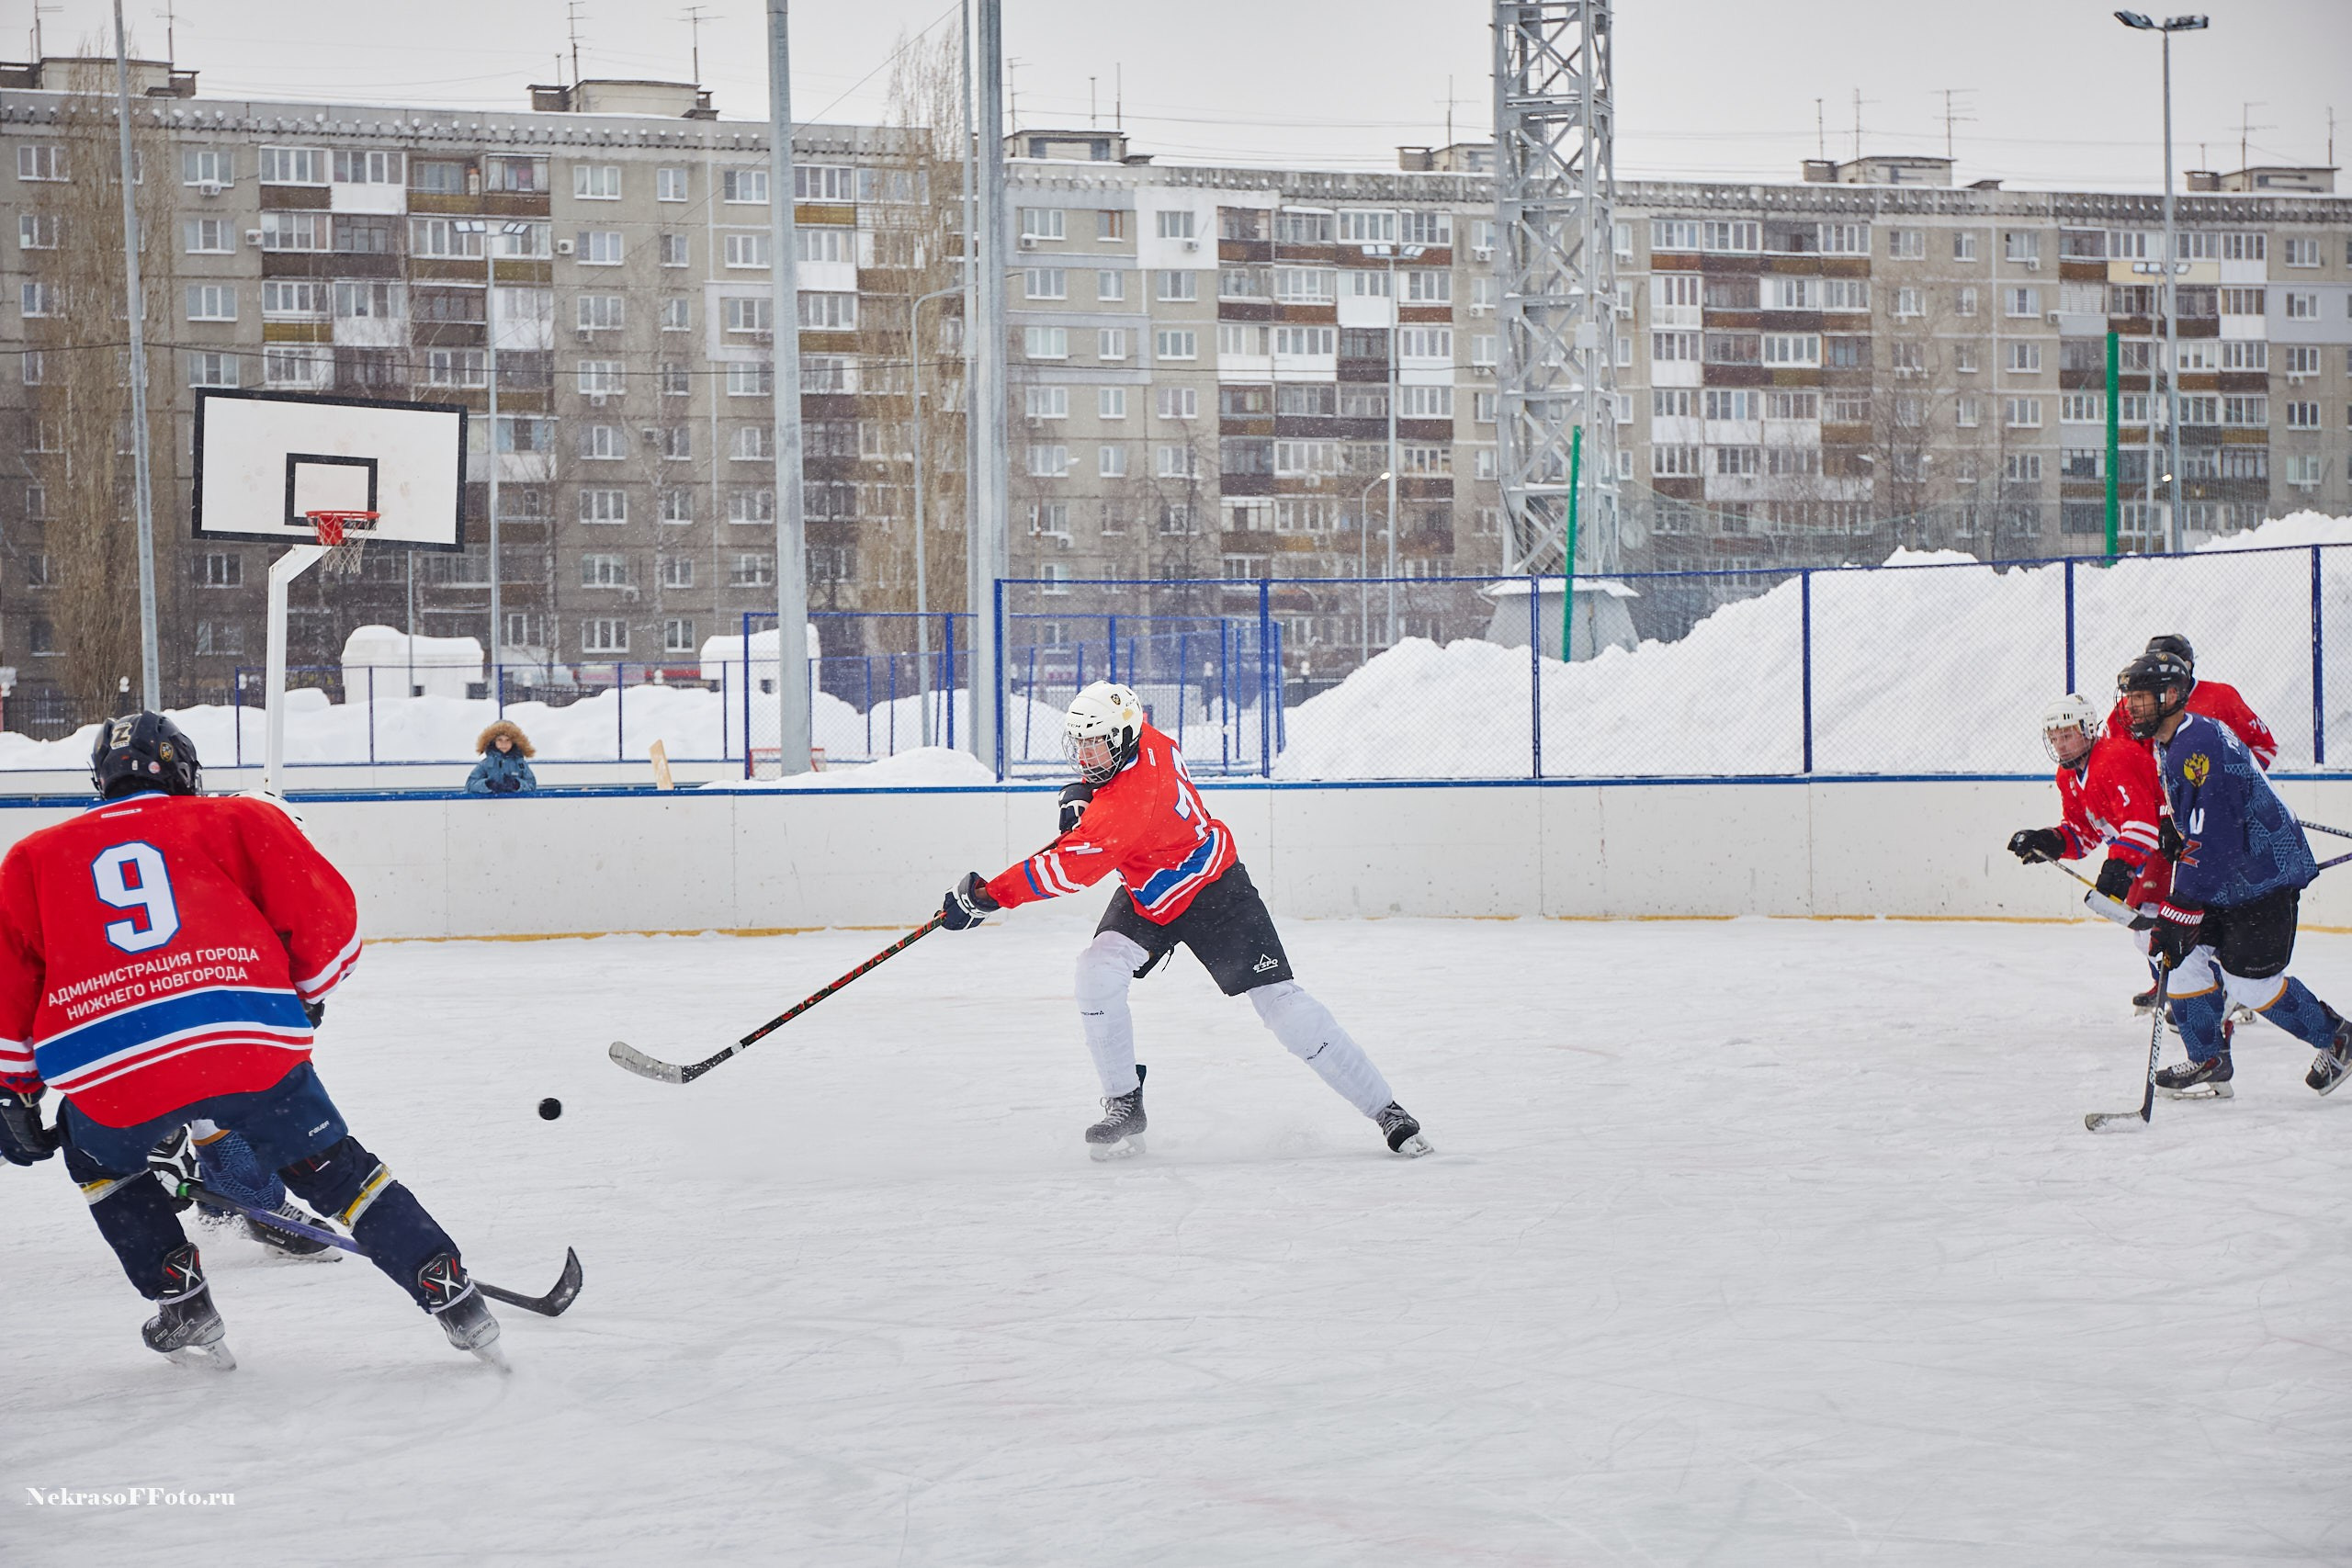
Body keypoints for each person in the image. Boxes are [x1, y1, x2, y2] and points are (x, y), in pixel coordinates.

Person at [0, 712, 499, 1368]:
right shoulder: (237, 818)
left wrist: (16, 1093)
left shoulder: (32, 856)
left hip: (113, 1069)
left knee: (99, 1162)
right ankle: (450, 1290)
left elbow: (11, 985)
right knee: (337, 1167)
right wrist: (307, 993)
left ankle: (182, 1301)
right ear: (183, 767)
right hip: (245, 1047)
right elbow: (328, 927)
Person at [937, 682, 1430, 1160]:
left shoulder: (1125, 809)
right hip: (1151, 892)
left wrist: (984, 897)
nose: (1086, 757)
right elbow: (1106, 796)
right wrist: (1082, 791)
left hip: (1216, 893)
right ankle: (1125, 1102)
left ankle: (1386, 1109)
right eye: (1081, 746)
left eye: (1095, 747)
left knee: (1281, 1004)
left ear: (1123, 739)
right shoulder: (1148, 739)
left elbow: (1064, 870)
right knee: (1096, 971)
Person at [2118, 653, 2352, 1100]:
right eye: (2130, 698)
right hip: (2230, 879)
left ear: (2171, 697)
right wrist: (2175, 821)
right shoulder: (2178, 737)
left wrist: (2178, 909)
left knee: (2250, 982)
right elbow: (2204, 816)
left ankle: (2338, 1038)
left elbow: (2216, 844)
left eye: (2141, 699)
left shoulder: (2197, 745)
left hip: (2262, 880)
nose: (2132, 708)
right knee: (2180, 960)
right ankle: (2209, 1058)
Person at [2104, 633, 2278, 771]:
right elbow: (2115, 756)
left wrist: (2236, 783)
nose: (2132, 704)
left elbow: (2263, 746)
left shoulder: (2221, 697)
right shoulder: (2134, 704)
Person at [466, 720, 537, 795]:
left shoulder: (520, 764)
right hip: (491, 805)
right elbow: (470, 785)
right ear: (493, 741)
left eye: (508, 740)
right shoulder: (485, 764)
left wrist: (517, 784)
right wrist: (487, 784)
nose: (504, 744)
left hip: (516, 805)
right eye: (500, 740)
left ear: (514, 742)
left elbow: (532, 785)